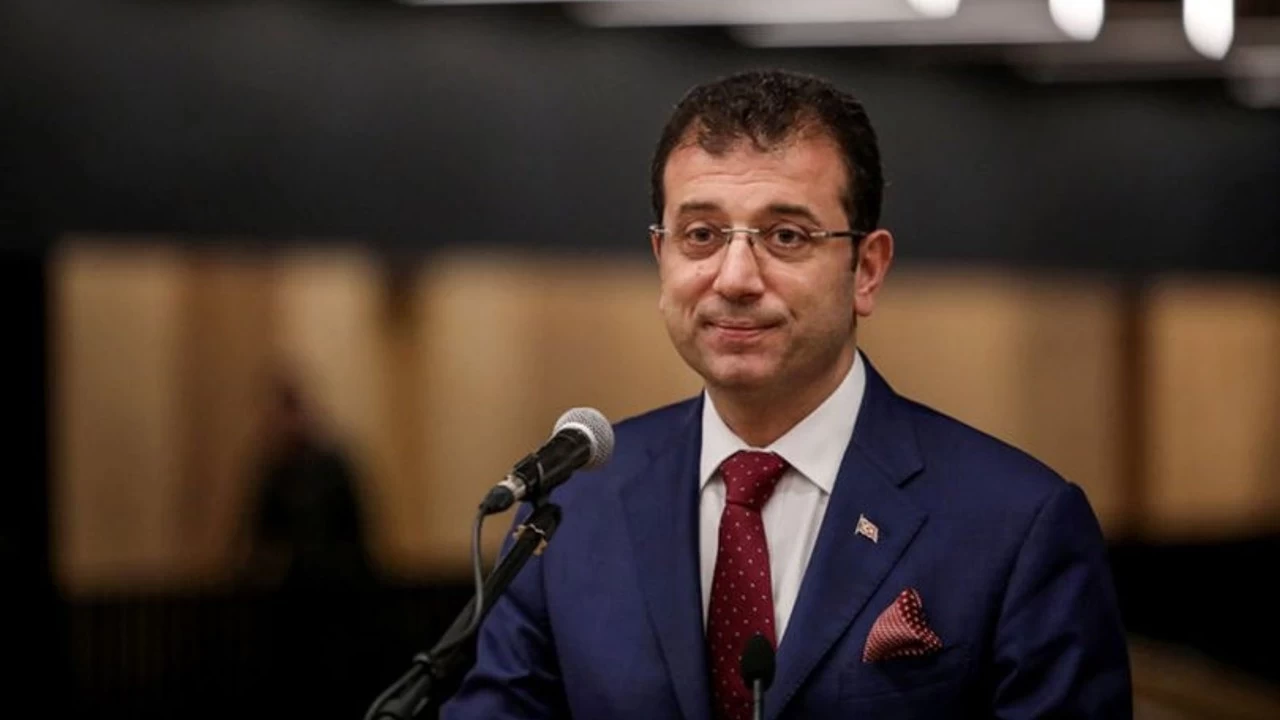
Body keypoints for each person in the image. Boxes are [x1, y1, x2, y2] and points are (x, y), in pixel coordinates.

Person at [440, 69, 1131, 719]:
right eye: (701, 235)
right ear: (662, 259)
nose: (735, 278)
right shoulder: (572, 507)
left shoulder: (1016, 524)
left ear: (867, 269)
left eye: (786, 236)